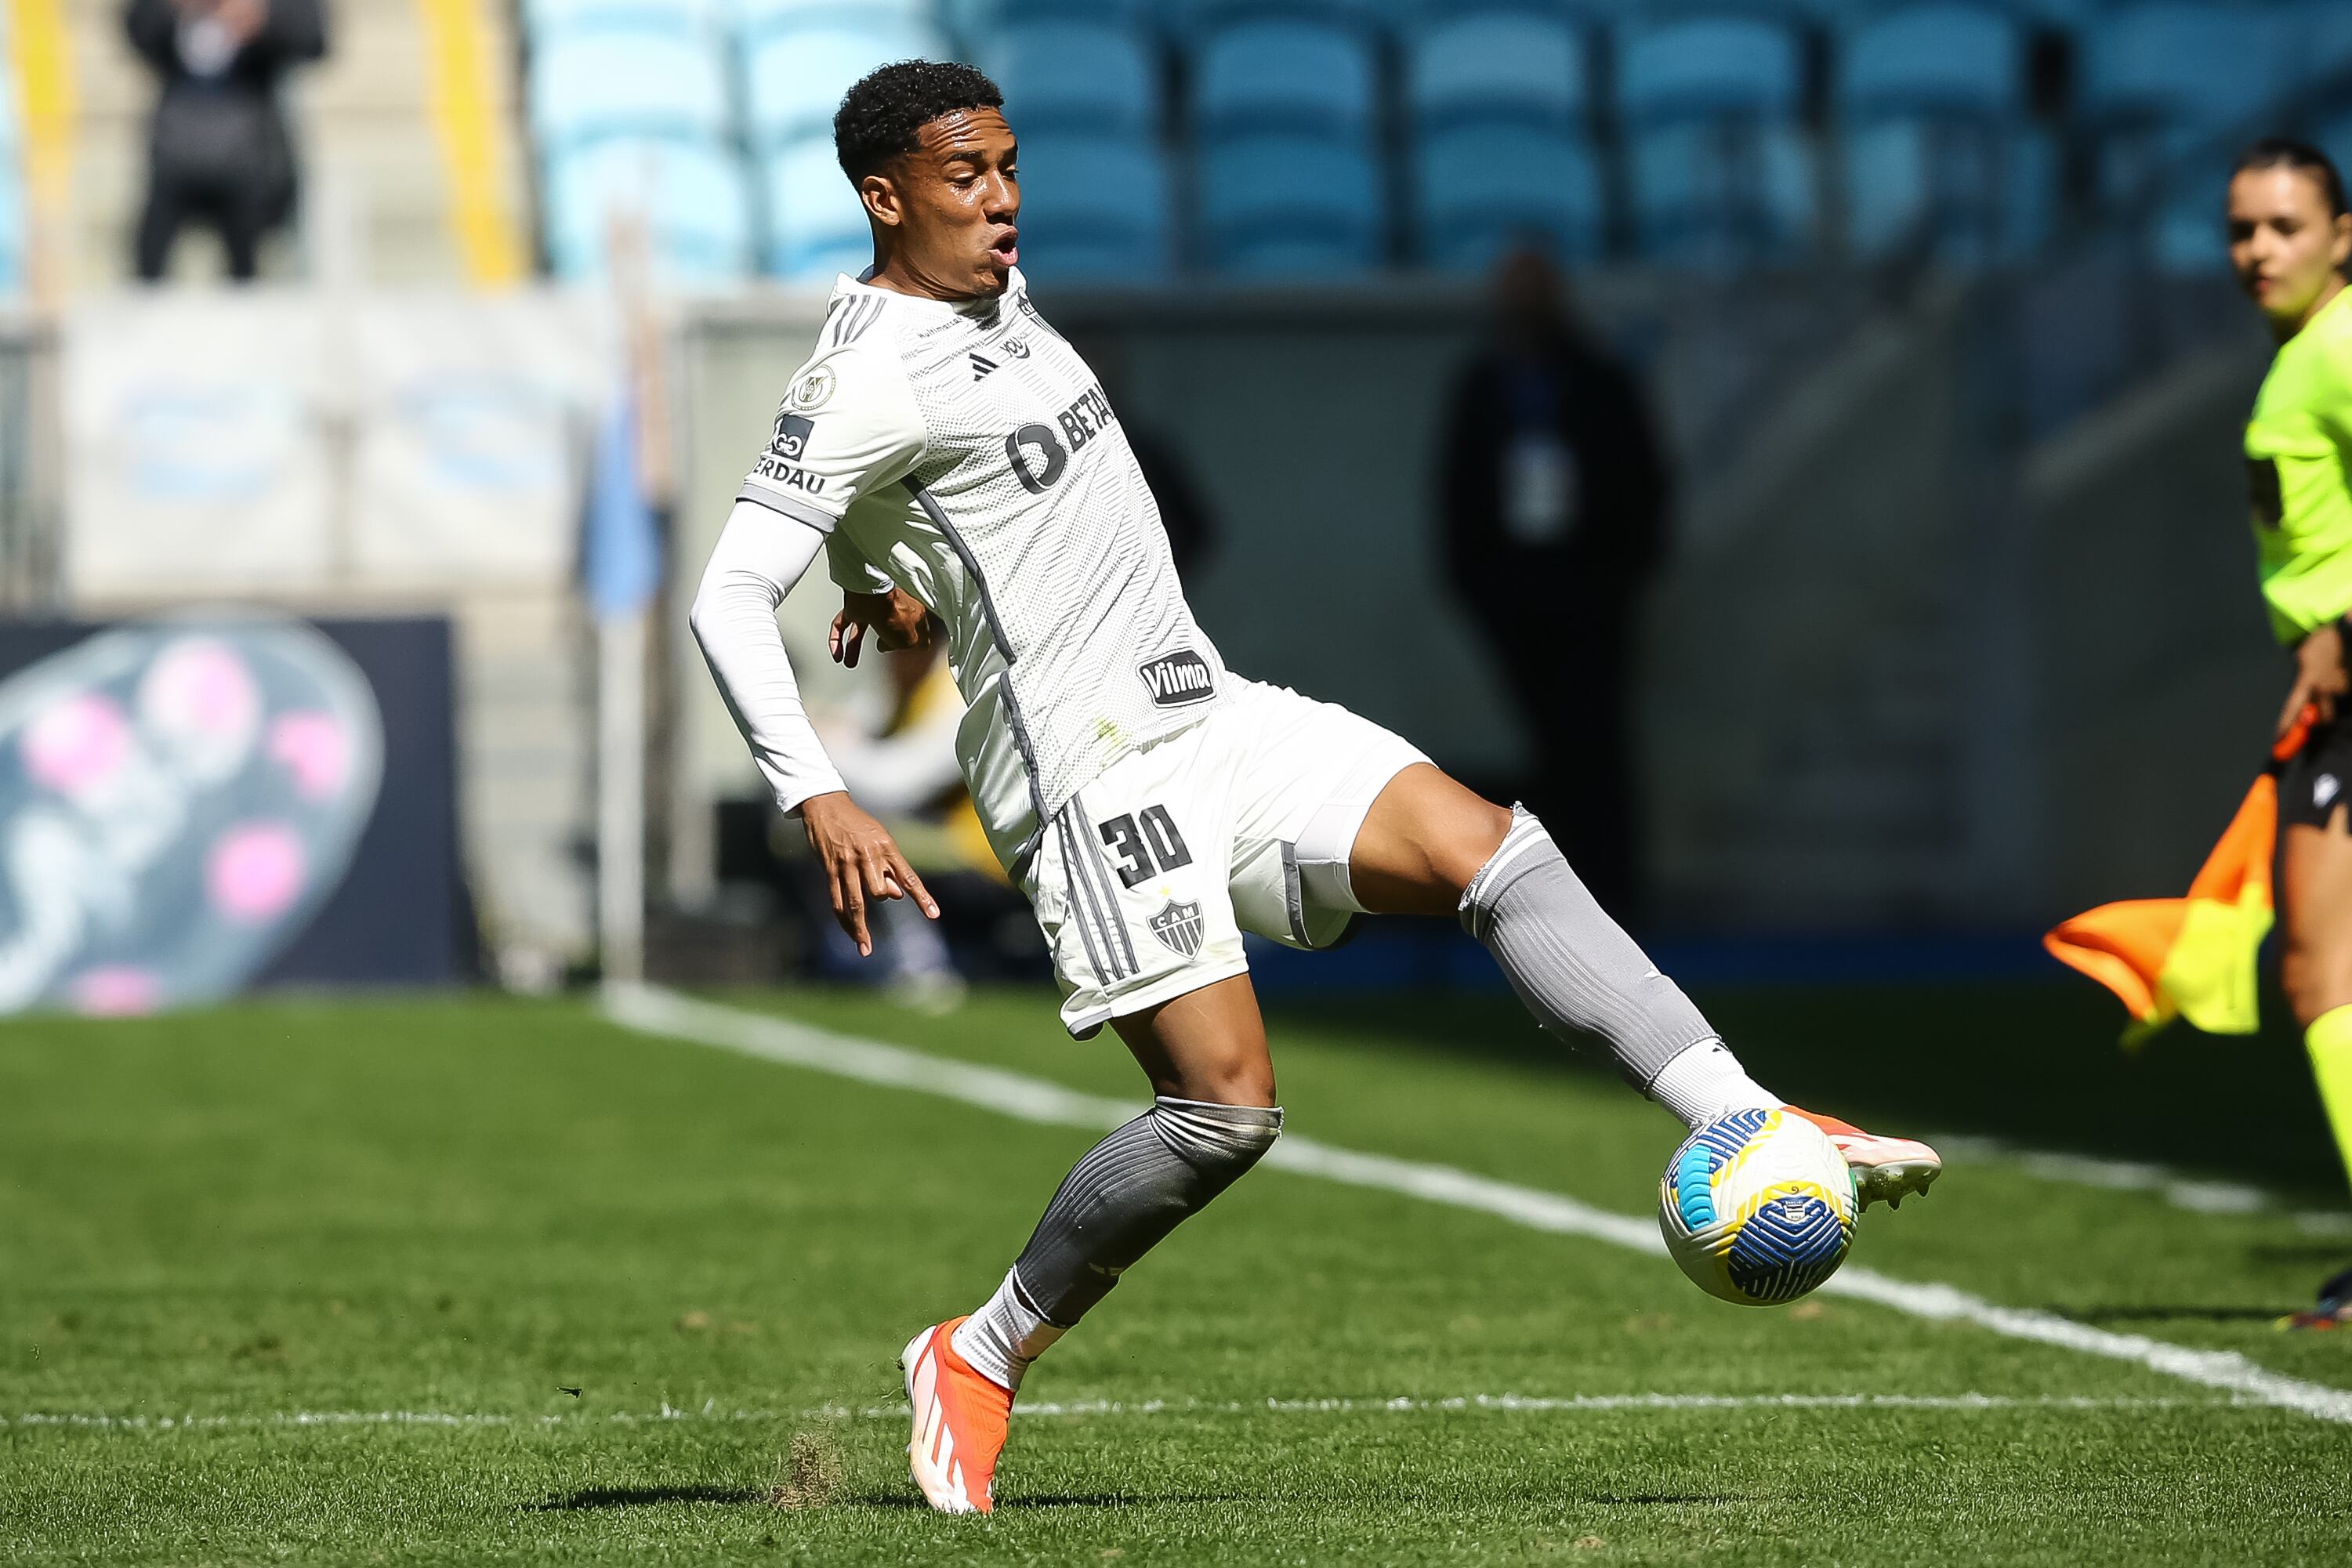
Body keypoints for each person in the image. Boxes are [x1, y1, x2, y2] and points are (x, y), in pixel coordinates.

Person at [687, 61, 1944, 1514]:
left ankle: (1742, 1114)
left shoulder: (992, 301)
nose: (1005, 199)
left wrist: (881, 575)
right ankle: (977, 1354)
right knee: (1224, 1111)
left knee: (1495, 849)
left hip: (1209, 709)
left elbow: (920, 505)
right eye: (967, 176)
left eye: (1011, 165)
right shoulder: (865, 367)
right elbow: (728, 595)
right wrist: (816, 790)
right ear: (882, 194)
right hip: (1088, 777)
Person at [1437, 245, 1670, 922]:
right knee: (1541, 750)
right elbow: (1457, 499)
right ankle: (1547, 895)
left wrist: (1615, 580)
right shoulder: (1483, 387)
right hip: (1513, 601)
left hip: (1588, 595)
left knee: (1596, 746)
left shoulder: (1597, 382)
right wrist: (1482, 589)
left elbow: (1643, 487)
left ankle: (1614, 895)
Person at [2227, 139, 2352, 1328]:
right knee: (2321, 966)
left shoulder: (2342, 349)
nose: (2257, 251)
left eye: (2283, 227)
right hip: (2334, 692)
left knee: (2323, 965)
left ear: (2342, 235)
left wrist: (2341, 637)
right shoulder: (2304, 357)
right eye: (2241, 231)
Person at [125, 0, 328, 283]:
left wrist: (261, 19)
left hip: (253, 152)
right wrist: (176, 8)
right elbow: (136, 27)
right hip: (175, 149)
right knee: (147, 275)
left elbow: (315, 36)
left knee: (245, 277)